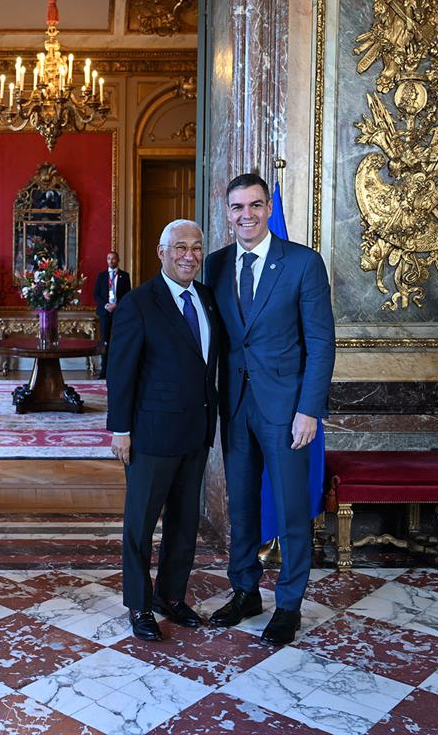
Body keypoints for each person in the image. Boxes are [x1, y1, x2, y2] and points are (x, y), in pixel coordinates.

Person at [204, 173, 336, 645]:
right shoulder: (215, 266)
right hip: (234, 407)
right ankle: (244, 591)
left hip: (286, 411)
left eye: (256, 206)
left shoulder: (302, 263)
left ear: (267, 208)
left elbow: (320, 343)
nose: (247, 215)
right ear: (228, 212)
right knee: (241, 505)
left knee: (291, 508)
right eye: (237, 208)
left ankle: (289, 604)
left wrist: (309, 410)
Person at [106, 220, 220, 641]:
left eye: (195, 247)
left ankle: (171, 596)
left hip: (195, 432)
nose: (188, 255)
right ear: (162, 252)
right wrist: (120, 430)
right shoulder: (138, 303)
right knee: (140, 525)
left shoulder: (207, 299)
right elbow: (121, 373)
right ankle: (139, 604)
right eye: (179, 247)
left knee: (183, 523)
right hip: (150, 435)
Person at [93, 251, 132, 379]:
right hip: (105, 312)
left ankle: (117, 370)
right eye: (109, 258)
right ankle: (103, 370)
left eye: (113, 258)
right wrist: (106, 305)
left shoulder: (124, 276)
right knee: (105, 341)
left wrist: (117, 305)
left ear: (118, 260)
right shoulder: (102, 276)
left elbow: (128, 294)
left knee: (118, 341)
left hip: (118, 312)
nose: (111, 261)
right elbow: (96, 294)